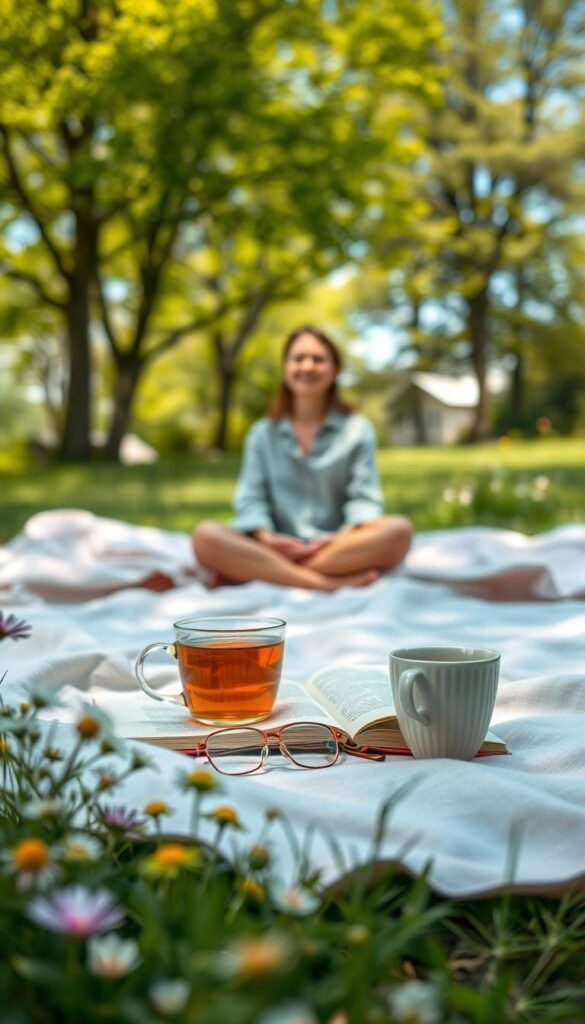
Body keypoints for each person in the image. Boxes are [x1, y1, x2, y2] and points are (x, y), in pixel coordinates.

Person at [193, 326, 413, 590]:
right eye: (298, 358)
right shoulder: (262, 433)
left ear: (335, 370)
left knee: (399, 531)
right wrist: (266, 539)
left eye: (318, 359)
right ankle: (323, 583)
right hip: (272, 545)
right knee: (205, 536)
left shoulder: (357, 429)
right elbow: (250, 499)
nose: (307, 366)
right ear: (286, 368)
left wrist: (338, 539)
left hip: (337, 546)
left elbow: (364, 501)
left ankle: (258, 572)